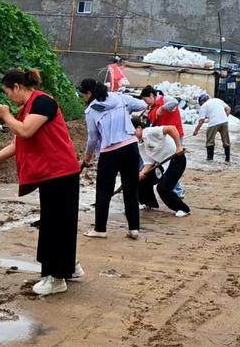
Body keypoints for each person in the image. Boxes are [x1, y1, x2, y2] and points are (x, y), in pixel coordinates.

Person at [0, 68, 82, 296]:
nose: (9, 99)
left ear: (17, 87)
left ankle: (56, 277)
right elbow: (18, 144)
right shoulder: (27, 109)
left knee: (57, 225)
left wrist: (5, 115)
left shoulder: (43, 102)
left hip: (61, 172)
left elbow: (25, 131)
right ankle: (68, 265)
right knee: (57, 223)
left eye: (8, 93)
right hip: (52, 174)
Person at [80, 80, 147, 239]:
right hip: (130, 147)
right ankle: (134, 229)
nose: (83, 98)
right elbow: (143, 105)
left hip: (109, 152)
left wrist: (87, 156)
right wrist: (126, 109)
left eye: (83, 94)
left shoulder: (91, 110)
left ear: (89, 94)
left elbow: (93, 138)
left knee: (104, 191)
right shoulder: (120, 98)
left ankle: (100, 229)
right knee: (131, 189)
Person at [139, 87, 186, 198]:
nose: (146, 103)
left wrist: (162, 108)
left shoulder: (164, 100)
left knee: (172, 165)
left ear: (151, 95)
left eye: (146, 100)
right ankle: (175, 189)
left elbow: (175, 102)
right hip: (163, 140)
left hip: (174, 137)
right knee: (165, 166)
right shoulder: (151, 108)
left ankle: (177, 191)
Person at [135, 122, 190, 217]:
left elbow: (171, 128)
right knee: (142, 179)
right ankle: (148, 203)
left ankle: (183, 209)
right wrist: (142, 173)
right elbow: (149, 162)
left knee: (162, 188)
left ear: (139, 128)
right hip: (162, 164)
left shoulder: (149, 132)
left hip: (176, 160)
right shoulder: (139, 144)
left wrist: (179, 146)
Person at [192, 93, 231, 162]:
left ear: (201, 101)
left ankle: (210, 159)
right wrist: (223, 117)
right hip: (224, 122)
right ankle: (227, 159)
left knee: (210, 141)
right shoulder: (217, 100)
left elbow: (201, 121)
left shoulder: (204, 106)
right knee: (226, 141)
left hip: (213, 124)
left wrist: (196, 131)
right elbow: (228, 109)